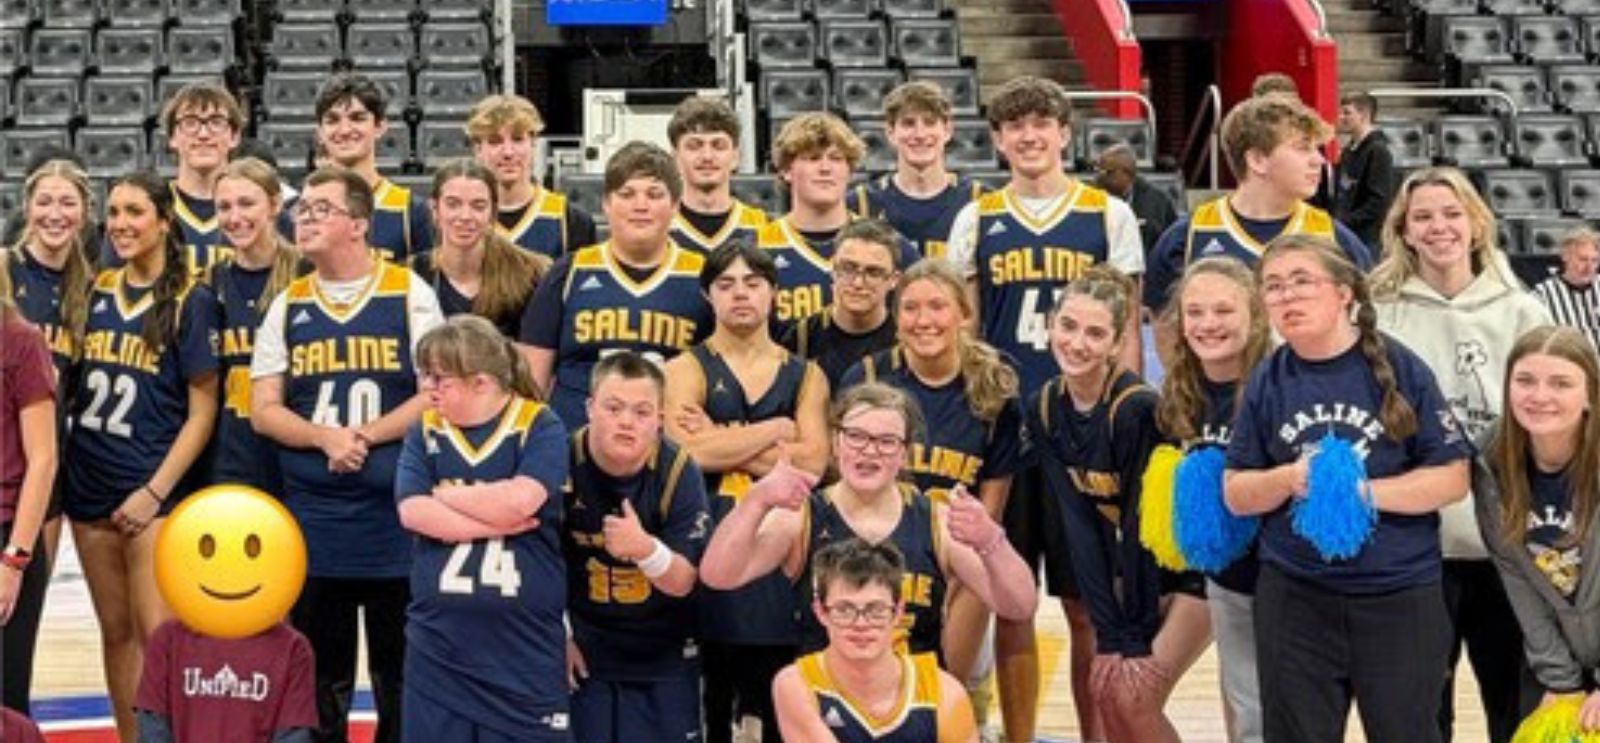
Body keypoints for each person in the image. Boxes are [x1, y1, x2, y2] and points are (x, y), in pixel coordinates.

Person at [945, 73, 1144, 743]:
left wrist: (1126, 421)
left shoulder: (1106, 214)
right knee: (1011, 602)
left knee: (1087, 604)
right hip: (1006, 426)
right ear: (998, 140)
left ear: (1065, 133)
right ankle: (1020, 735)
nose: (1029, 136)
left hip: (1082, 426)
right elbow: (967, 330)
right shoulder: (978, 217)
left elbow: (1128, 323)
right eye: (1014, 126)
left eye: (1042, 124)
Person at [1225, 233, 1472, 743]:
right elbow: (1236, 491)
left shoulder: (1400, 368)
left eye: (1301, 281)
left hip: (1398, 594)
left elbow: (1453, 477)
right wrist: (1290, 479)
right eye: (1273, 287)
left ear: (1344, 294)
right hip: (1296, 597)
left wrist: (1359, 493)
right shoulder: (1267, 380)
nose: (1287, 296)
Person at [251, 167, 444, 743]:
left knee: (401, 678)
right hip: (314, 522)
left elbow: (434, 392)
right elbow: (264, 409)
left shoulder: (409, 291)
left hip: (395, 520)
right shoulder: (287, 303)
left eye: (319, 209)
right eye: (301, 209)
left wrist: (363, 435)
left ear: (358, 224)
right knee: (318, 683)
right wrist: (325, 437)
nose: (303, 218)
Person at [1370, 167, 1549, 743]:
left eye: (1451, 214)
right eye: (1422, 216)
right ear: (1404, 229)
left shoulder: (1523, 312)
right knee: (1421, 715)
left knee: (1516, 708)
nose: (1438, 227)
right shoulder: (1378, 316)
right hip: (1416, 548)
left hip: (1508, 548)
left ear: (1476, 225)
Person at [700, 382, 1038, 657]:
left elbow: (1019, 606)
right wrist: (756, 500)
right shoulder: (801, 517)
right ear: (836, 443)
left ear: (905, 453)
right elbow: (718, 575)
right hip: (825, 699)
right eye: (857, 436)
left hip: (913, 698)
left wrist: (992, 540)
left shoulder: (937, 521)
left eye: (886, 442)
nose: (870, 450)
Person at [68, 171, 222, 742]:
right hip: (89, 481)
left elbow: (202, 413)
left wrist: (155, 491)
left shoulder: (191, 298)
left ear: (163, 221)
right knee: (115, 633)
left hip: (150, 487)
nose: (121, 224)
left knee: (158, 635)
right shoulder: (96, 288)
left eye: (135, 212)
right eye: (113, 213)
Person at [1029, 265, 1212, 743]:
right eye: (1067, 326)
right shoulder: (1045, 406)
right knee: (1105, 690)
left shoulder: (1135, 410)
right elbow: (1080, 526)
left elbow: (1138, 532)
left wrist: (1128, 638)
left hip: (1192, 572)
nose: (1077, 343)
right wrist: (1107, 636)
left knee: (1131, 694)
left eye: (1095, 333)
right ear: (1050, 326)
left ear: (1116, 344)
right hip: (1138, 568)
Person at [662, 242, 830, 743]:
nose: (741, 295)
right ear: (707, 295)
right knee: (711, 701)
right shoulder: (683, 367)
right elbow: (685, 452)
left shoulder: (807, 373)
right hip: (706, 533)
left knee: (778, 694)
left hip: (781, 547)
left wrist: (721, 434)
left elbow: (814, 463)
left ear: (774, 294)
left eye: (753, 283)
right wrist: (777, 429)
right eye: (726, 284)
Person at [840, 259, 1028, 680]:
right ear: (895, 315)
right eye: (910, 308)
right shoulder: (868, 377)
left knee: (942, 684)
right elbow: (847, 486)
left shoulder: (997, 387)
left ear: (964, 314)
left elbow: (990, 508)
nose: (923, 320)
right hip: (873, 551)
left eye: (937, 306)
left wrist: (959, 575)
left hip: (956, 554)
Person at [395, 316, 571, 742]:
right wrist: (497, 519)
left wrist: (447, 495)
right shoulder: (425, 429)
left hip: (522, 652)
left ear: (481, 383)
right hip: (438, 650)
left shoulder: (540, 424)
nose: (428, 388)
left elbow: (522, 501)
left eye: (439, 378)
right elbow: (412, 512)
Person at [562, 352, 711, 743]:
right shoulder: (560, 462)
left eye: (642, 411)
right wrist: (555, 636)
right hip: (583, 650)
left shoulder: (679, 470)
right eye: (613, 408)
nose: (627, 421)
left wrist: (646, 551)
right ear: (590, 408)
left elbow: (684, 581)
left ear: (660, 420)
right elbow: (536, 565)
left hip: (663, 652)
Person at [1154, 257, 1272, 743]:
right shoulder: (1179, 392)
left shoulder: (1279, 383)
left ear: (1255, 314)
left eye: (1223, 310)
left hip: (1286, 582)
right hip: (1225, 583)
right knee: (1248, 720)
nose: (1207, 324)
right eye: (1195, 312)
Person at [519, 141, 713, 430]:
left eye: (654, 194)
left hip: (665, 445)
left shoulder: (704, 277)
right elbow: (531, 382)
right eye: (627, 194)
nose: (640, 206)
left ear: (675, 205)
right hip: (574, 443)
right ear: (606, 204)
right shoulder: (569, 273)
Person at [1143, 95, 1373, 317]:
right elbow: (1167, 331)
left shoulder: (1335, 238)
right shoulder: (1188, 236)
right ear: (1257, 161)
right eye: (1303, 148)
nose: (1319, 161)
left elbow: (1366, 321)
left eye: (1317, 149)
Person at [1476, 326, 1600, 735]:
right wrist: (1561, 680)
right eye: (1525, 380)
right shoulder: (1490, 462)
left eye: (1561, 383)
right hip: (1556, 653)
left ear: (1590, 396)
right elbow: (1516, 578)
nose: (1539, 396)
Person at [772, 539, 979, 743]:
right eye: (844, 610)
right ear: (820, 612)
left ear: (898, 612)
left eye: (876, 610)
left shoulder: (944, 692)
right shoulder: (798, 683)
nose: (860, 623)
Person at [5, 159, 96, 597]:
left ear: (84, 212)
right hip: (4, 463)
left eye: (67, 202)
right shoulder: (4, 270)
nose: (55, 214)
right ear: (27, 208)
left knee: (24, 608)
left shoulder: (91, 289)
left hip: (46, 468)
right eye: (44, 202)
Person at [759, 112, 917, 326]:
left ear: (850, 170)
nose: (825, 169)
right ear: (786, 170)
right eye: (813, 158)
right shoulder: (759, 248)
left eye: (836, 158)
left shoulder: (891, 246)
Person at [210, 158, 302, 494]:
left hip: (297, 458)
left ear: (275, 204)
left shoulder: (308, 275)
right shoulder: (210, 283)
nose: (235, 218)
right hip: (231, 460)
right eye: (224, 207)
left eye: (247, 204)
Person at [0, 258, 57, 715]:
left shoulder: (22, 341)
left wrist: (14, 560)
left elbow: (43, 460)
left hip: (6, 535)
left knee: (6, 700)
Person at [408, 158, 549, 338]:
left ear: (492, 213)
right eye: (453, 204)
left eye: (478, 206)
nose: (465, 216)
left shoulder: (531, 276)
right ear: (434, 209)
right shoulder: (411, 276)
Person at [847, 80, 984, 260]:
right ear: (890, 133)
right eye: (908, 123)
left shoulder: (979, 199)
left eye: (929, 122)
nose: (919, 134)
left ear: (948, 130)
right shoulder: (860, 203)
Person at [313, 73, 432, 261]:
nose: (344, 130)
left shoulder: (410, 211)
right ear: (319, 132)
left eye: (357, 118)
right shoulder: (300, 212)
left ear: (380, 126)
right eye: (333, 120)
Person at [467, 94, 598, 259]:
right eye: (495, 141)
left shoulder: (571, 220)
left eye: (518, 140)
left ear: (533, 144)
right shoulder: (459, 219)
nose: (508, 152)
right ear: (477, 149)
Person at [779, 218, 902, 391]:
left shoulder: (905, 339)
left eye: (873, 272)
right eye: (848, 268)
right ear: (833, 270)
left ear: (894, 280)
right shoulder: (801, 339)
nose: (858, 283)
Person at [158, 81, 246, 277]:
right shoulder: (151, 208)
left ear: (234, 136)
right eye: (190, 122)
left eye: (216, 122)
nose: (203, 134)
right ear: (172, 136)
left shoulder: (260, 212)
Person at [667, 96, 768, 255]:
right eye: (694, 146)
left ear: (736, 157)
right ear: (675, 158)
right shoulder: (657, 228)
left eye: (718, 146)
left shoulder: (764, 228)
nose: (707, 156)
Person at [1333, 92, 1399, 250]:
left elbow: (1379, 202)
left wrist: (1344, 221)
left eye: (1347, 112)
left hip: (1367, 239)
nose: (1341, 117)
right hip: (1347, 233)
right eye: (1341, 112)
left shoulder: (1378, 151)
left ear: (1364, 115)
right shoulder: (1349, 150)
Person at [1094, 143, 1180, 257]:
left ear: (1127, 174)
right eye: (1097, 170)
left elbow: (1173, 245)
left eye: (1107, 173)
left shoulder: (1159, 202)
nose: (1099, 178)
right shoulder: (1092, 198)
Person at [1531, 226, 1600, 351]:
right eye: (1583, 259)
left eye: (1595, 260)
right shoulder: (1542, 294)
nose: (1589, 267)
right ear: (1565, 257)